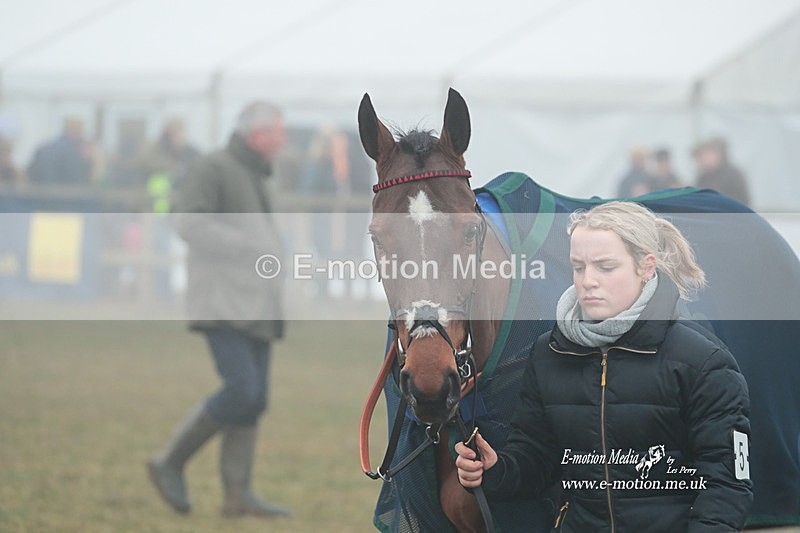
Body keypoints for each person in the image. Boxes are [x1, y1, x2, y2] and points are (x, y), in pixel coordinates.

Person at [455, 201, 752, 532]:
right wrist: (495, 470)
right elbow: (538, 458)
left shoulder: (704, 361)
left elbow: (726, 485)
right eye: (578, 267)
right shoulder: (549, 352)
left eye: (605, 267)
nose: (588, 281)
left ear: (646, 267)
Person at [147, 101, 289, 518]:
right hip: (222, 301)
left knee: (255, 399)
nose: (283, 140)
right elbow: (188, 223)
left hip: (256, 303)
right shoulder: (214, 167)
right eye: (278, 132)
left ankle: (237, 495)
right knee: (242, 390)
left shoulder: (256, 173)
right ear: (258, 134)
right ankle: (169, 462)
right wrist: (248, 249)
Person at [27, 117, 94, 185]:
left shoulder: (43, 149)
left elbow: (31, 173)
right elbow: (79, 180)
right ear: (75, 130)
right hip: (66, 193)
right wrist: (87, 161)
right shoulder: (75, 154)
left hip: (40, 193)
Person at [693, 138, 750, 206]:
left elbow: (742, 200)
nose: (703, 159)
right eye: (700, 156)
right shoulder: (702, 178)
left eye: (706, 155)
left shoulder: (734, 175)